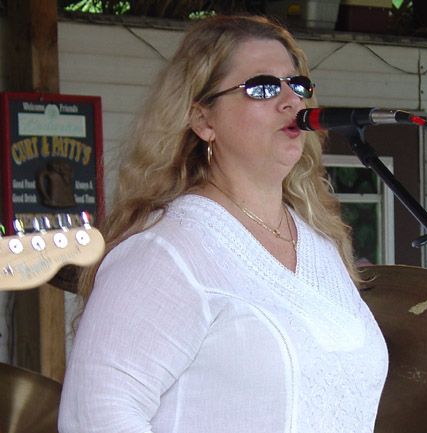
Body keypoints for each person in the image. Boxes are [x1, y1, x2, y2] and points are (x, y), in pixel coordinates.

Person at [58, 15, 388, 433]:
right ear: (203, 120)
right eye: (263, 87)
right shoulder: (167, 251)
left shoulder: (320, 245)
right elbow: (93, 416)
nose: (291, 101)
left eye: (298, 85)